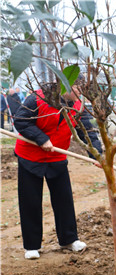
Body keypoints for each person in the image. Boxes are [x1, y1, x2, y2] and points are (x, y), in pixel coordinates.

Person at [14, 79, 103, 260]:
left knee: (64, 199)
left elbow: (87, 131)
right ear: (66, 84)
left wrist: (97, 155)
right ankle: (32, 246)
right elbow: (20, 121)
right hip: (30, 156)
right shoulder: (38, 99)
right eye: (79, 89)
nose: (81, 93)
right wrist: (41, 138)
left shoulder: (78, 105)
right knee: (30, 201)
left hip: (57, 156)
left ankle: (68, 239)